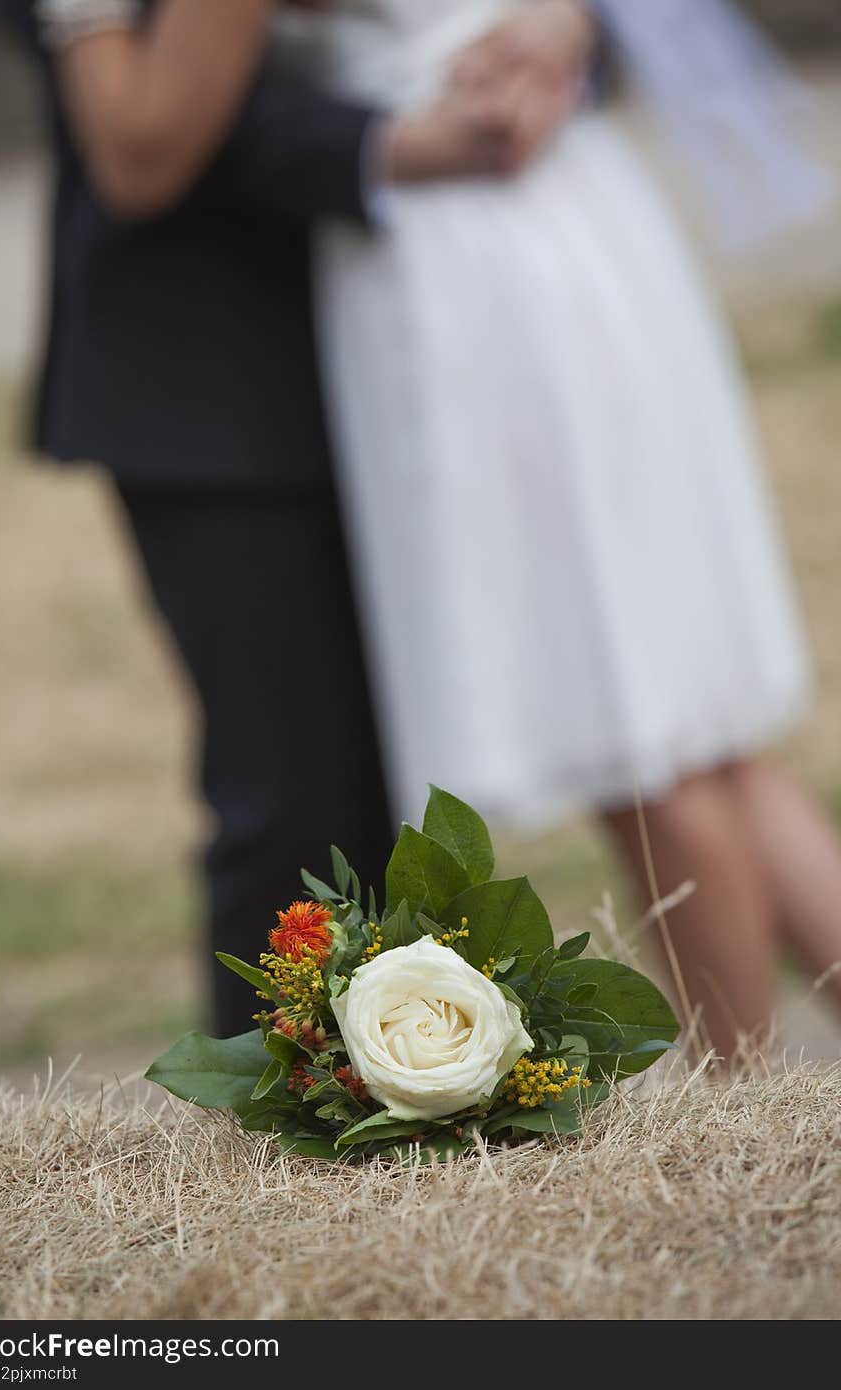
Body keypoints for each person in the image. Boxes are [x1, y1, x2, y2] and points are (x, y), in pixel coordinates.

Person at [0, 0, 587, 1035]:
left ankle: (414, 1094)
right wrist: (386, 144)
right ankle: (284, 1135)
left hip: (416, 326)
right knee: (292, 802)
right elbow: (143, 137)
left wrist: (564, 30)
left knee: (415, 785)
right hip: (211, 360)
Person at [277, 0, 841, 1061]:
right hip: (575, 216)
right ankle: (757, 1093)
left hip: (476, 265)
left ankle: (747, 1091)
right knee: (703, 736)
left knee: (649, 732)